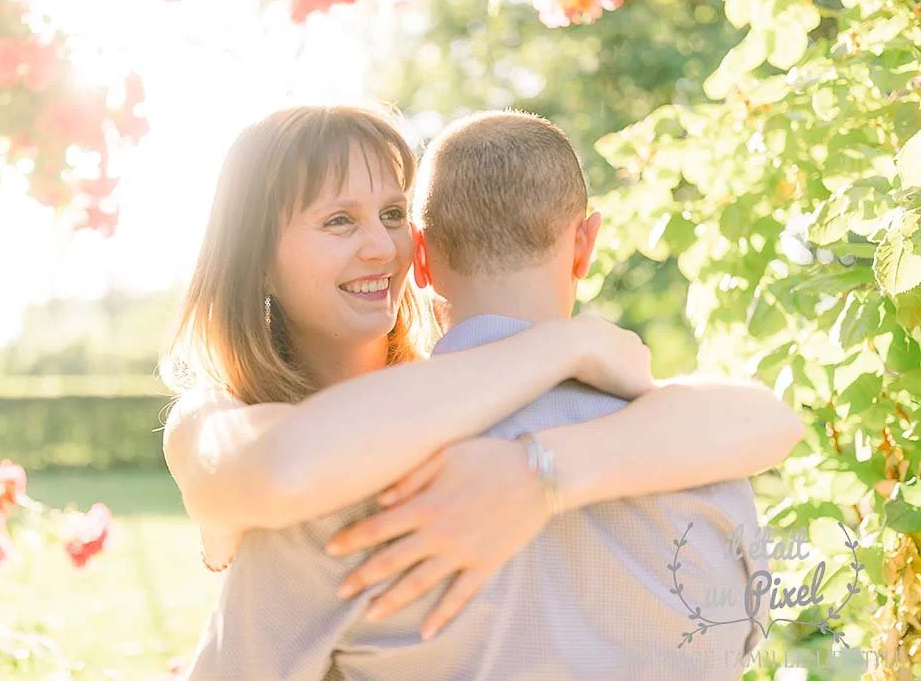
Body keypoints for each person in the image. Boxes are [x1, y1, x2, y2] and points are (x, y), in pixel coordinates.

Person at [162, 105, 803, 677]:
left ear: (422, 253)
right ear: (257, 257)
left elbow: (769, 420)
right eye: (337, 221)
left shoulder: (480, 414)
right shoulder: (219, 418)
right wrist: (563, 344)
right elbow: (284, 468)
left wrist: (537, 474)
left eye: (392, 215)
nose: (380, 246)